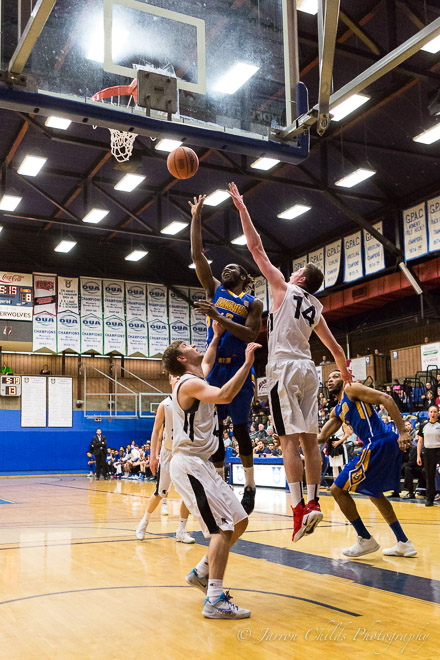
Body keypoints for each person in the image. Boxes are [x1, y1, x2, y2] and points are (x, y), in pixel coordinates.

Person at [228, 182, 351, 543]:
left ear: (300, 279)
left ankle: (298, 509)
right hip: (310, 369)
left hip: (283, 367)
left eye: (296, 271)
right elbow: (337, 351)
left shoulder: (283, 287)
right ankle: (313, 501)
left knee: (287, 441)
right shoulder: (316, 309)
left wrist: (243, 210)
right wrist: (345, 375)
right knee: (310, 441)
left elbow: (255, 248)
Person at [162, 336, 261, 619]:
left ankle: (201, 572)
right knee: (222, 528)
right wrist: (247, 363)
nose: (194, 346)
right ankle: (214, 600)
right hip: (189, 464)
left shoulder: (197, 376)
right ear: (181, 359)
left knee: (239, 520)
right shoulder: (188, 383)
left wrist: (216, 335)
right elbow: (226, 396)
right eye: (187, 346)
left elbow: (207, 359)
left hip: (202, 464)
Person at [189, 193, 263, 515]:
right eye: (225, 267)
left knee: (242, 429)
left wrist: (218, 317)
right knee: (216, 429)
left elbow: (250, 335)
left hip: (240, 368)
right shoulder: (214, 290)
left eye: (234, 267)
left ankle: (250, 485)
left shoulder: (253, 303)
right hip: (214, 369)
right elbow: (197, 255)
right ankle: (221, 483)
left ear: (244, 278)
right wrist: (196, 217)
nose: (227, 269)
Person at [318, 370, 416, 558]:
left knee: (337, 490)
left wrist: (403, 431)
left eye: (335, 376)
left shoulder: (351, 389)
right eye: (328, 378)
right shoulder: (337, 411)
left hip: (378, 441)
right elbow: (321, 437)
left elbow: (386, 398)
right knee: (375, 493)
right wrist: (289, 440)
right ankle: (404, 542)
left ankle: (365, 538)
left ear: (344, 378)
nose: (330, 380)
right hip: (381, 443)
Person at [136, 375, 195, 544]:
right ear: (170, 381)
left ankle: (181, 530)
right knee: (161, 492)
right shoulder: (165, 404)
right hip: (168, 452)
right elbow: (156, 431)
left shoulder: (191, 402)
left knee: (188, 493)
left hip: (185, 452)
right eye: (174, 377)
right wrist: (153, 456)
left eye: (180, 376)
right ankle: (144, 522)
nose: (178, 379)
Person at [417, 404, 440, 507]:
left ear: (438, 413)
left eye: (435, 412)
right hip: (428, 452)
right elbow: (420, 441)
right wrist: (418, 456)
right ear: (428, 413)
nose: (433, 414)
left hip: (438, 451)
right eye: (431, 412)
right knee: (429, 476)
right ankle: (430, 498)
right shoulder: (424, 426)